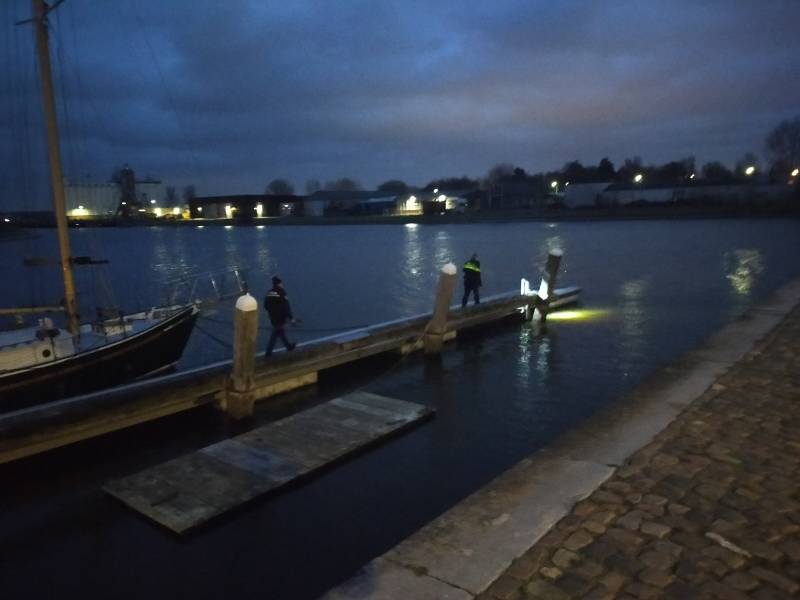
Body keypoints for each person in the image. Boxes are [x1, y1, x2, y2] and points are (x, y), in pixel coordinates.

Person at [263, 276, 296, 356]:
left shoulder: (270, 292)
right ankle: (268, 352)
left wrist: (272, 312)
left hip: (273, 317)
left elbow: (265, 305)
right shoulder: (281, 292)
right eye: (281, 283)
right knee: (276, 333)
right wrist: (291, 318)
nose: (282, 284)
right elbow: (286, 306)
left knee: (279, 332)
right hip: (280, 317)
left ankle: (288, 346)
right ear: (279, 283)